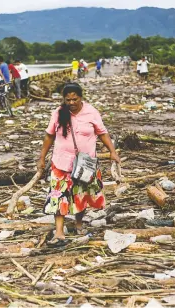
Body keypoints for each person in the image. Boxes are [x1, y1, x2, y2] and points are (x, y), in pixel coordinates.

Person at [37, 83, 120, 247]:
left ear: (81, 97)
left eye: (75, 99)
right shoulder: (59, 113)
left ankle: (79, 223)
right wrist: (41, 158)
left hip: (84, 163)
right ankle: (59, 233)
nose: (71, 102)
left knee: (81, 194)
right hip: (61, 162)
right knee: (58, 196)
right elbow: (49, 136)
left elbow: (102, 133)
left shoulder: (91, 112)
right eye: (68, 99)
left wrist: (112, 151)